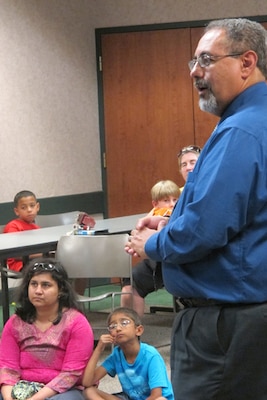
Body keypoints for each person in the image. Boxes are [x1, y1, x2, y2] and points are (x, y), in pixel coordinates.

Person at [125, 18, 267, 400]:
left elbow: (204, 230)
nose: (195, 72)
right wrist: (166, 220)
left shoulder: (241, 131)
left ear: (246, 62)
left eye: (206, 59)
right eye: (193, 61)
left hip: (224, 327)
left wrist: (151, 243)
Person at [0, 257, 94, 400]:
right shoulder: (15, 323)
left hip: (63, 390)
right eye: (34, 284)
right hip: (21, 387)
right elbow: (8, 369)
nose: (38, 291)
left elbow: (71, 374)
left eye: (46, 285)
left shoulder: (77, 323)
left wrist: (34, 399)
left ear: (61, 290)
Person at [82, 307, 174, 400]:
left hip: (154, 398)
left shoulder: (151, 355)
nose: (118, 328)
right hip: (129, 398)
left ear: (138, 330)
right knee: (89, 391)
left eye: (124, 323)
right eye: (112, 326)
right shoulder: (116, 355)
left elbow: (156, 395)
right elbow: (87, 382)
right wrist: (98, 349)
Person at [121, 180, 180, 316]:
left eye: (175, 200)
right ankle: (131, 330)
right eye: (166, 200)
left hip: (174, 260)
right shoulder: (151, 216)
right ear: (155, 204)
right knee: (130, 284)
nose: (171, 204)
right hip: (154, 261)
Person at [3, 190, 41, 271]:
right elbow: (16, 254)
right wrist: (43, 254)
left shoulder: (36, 227)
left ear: (37, 207)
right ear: (17, 211)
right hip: (20, 265)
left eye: (32, 206)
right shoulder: (13, 226)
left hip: (36, 261)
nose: (29, 210)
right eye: (23, 207)